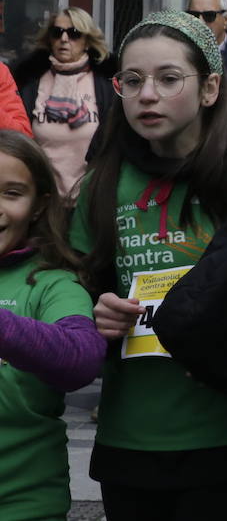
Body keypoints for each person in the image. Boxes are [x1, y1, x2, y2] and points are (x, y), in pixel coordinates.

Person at [70, 10, 227, 520]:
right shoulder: (102, 184)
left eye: (169, 79)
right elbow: (72, 289)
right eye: (132, 80)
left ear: (210, 88)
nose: (147, 95)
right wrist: (94, 313)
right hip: (132, 435)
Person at [0, 130, 105, 521]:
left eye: (12, 193)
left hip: (22, 505)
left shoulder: (51, 282)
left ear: (40, 205)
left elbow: (81, 359)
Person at [12, 7, 116, 198]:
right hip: (43, 201)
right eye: (57, 32)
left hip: (90, 200)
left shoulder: (105, 86)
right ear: (50, 39)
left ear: (87, 41)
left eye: (74, 33)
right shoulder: (30, 84)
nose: (64, 39)